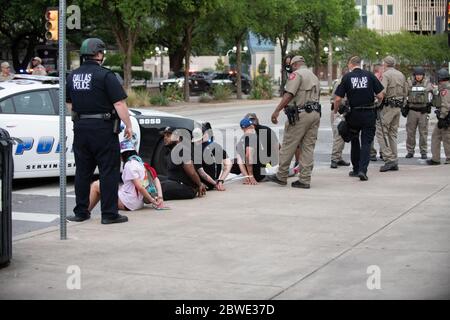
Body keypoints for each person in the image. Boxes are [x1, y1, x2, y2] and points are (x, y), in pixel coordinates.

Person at [65, 38, 133, 224]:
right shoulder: (105, 75)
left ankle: (81, 212)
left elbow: (69, 102)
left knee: (82, 172)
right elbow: (119, 103)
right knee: (108, 171)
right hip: (103, 130)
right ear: (99, 54)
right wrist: (128, 125)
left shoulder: (72, 76)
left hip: (80, 129)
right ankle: (109, 214)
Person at [268, 55, 321, 189]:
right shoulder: (314, 76)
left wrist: (277, 110)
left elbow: (289, 94)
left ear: (295, 64)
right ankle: (304, 179)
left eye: (291, 66)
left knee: (288, 145)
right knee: (308, 147)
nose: (290, 68)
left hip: (300, 115)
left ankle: (281, 175)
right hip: (315, 114)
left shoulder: (296, 75)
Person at [334, 56, 384, 181]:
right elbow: (380, 95)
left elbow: (338, 98)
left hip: (353, 114)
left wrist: (336, 110)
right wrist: (376, 103)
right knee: (366, 143)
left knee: (355, 140)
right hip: (368, 113)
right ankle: (363, 170)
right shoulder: (370, 75)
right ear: (360, 64)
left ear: (351, 64)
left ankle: (356, 169)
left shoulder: (347, 77)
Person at [88, 139, 164, 212]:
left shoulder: (129, 165)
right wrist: (160, 197)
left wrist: (152, 200)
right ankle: (88, 210)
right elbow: (156, 179)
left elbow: (140, 187)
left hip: (129, 203)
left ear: (123, 154)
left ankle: (85, 211)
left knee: (96, 185)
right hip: (138, 202)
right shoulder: (142, 163)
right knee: (104, 187)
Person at [377, 56, 408, 172]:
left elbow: (381, 93)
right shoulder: (401, 74)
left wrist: (376, 102)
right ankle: (394, 159)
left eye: (382, 64)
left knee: (381, 131)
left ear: (385, 64)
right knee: (392, 133)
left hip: (388, 107)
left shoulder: (386, 75)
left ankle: (389, 159)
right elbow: (406, 92)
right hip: (398, 106)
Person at [159, 126, 207, 200]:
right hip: (174, 182)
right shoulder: (172, 150)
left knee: (160, 187)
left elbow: (191, 171)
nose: (165, 138)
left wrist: (199, 184)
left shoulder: (183, 149)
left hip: (187, 187)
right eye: (164, 136)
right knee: (156, 179)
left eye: (168, 135)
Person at [405, 66, 433, 159]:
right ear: (414, 75)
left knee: (423, 133)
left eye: (420, 75)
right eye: (417, 75)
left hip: (423, 111)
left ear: (423, 75)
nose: (418, 77)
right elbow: (405, 92)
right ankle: (410, 151)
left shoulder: (427, 82)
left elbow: (429, 90)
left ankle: (423, 151)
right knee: (410, 133)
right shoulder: (409, 81)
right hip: (412, 110)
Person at [192, 126, 232, 191]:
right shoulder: (216, 146)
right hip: (214, 183)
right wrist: (221, 181)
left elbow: (202, 173)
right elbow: (228, 164)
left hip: (204, 185)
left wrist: (215, 184)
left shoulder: (195, 150)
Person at [230, 118, 264, 185]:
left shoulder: (240, 142)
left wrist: (246, 176)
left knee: (231, 161)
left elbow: (240, 162)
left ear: (242, 129)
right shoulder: (253, 137)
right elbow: (248, 156)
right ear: (251, 126)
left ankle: (247, 176)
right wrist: (251, 176)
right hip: (259, 175)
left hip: (251, 173)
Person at [427, 68, 450, 165]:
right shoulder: (445, 87)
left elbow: (445, 105)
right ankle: (435, 158)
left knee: (447, 138)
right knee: (436, 136)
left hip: (446, 117)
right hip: (445, 117)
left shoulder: (445, 89)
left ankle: (448, 158)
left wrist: (442, 118)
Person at [330, 68, 351, 169]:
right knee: (338, 135)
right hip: (338, 110)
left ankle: (338, 157)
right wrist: (336, 113)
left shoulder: (345, 81)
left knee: (342, 135)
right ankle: (334, 159)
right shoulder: (340, 83)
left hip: (343, 111)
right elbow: (336, 99)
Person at [370, 64, 384, 161]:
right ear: (378, 71)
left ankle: (373, 153)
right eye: (382, 69)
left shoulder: (370, 78)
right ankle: (376, 153)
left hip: (374, 108)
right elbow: (380, 95)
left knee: (375, 131)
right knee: (379, 131)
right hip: (376, 108)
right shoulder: (375, 79)